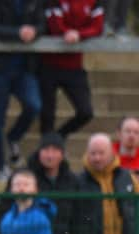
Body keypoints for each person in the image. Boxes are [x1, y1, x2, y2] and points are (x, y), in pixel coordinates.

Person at [0, 0, 45, 180]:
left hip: (24, 68)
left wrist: (35, 31)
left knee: (34, 106)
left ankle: (13, 137)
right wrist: (17, 33)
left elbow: (43, 24)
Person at [0, 132, 78, 234]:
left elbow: (78, 218)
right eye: (46, 150)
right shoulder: (23, 177)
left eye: (55, 150)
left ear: (62, 154)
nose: (50, 155)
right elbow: (4, 209)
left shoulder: (71, 180)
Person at [39, 1, 103, 141]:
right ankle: (46, 149)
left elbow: (98, 28)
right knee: (47, 115)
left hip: (74, 67)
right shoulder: (54, 2)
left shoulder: (93, 2)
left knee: (85, 112)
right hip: (49, 66)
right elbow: (56, 26)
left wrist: (79, 34)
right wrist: (68, 33)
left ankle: (57, 138)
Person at [74, 132, 138, 234]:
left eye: (101, 153)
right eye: (93, 153)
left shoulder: (129, 178)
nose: (97, 158)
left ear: (111, 153)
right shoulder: (78, 181)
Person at [0, 169, 56, 234]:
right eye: (17, 184)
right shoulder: (7, 217)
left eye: (26, 184)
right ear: (11, 189)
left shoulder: (41, 219)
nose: (21, 188)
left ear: (35, 189)